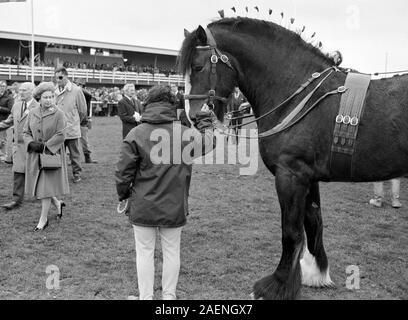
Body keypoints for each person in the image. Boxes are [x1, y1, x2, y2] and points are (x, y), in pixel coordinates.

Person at [115, 85, 216, 300]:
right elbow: (209, 142)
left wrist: (123, 195)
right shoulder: (185, 134)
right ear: (172, 105)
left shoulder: (136, 133)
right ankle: (168, 296)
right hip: (174, 203)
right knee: (171, 252)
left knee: (145, 252)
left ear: (148, 104)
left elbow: (123, 172)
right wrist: (204, 121)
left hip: (144, 204)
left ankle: (146, 297)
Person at [0, 82, 39, 210]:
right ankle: (17, 200)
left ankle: (44, 195)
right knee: (18, 173)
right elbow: (9, 121)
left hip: (32, 146)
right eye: (20, 90)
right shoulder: (16, 106)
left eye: (24, 90)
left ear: (32, 92)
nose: (20, 92)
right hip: (18, 146)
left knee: (37, 171)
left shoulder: (39, 107)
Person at [54, 67, 87, 183]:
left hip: (72, 128)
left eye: (60, 77)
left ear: (66, 76)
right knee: (58, 153)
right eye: (56, 77)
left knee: (74, 154)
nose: (58, 80)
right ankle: (59, 174)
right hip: (58, 130)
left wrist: (74, 120)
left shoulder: (77, 90)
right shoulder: (54, 91)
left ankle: (77, 174)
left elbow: (83, 110)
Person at [75, 80, 98, 164]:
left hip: (83, 118)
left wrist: (77, 87)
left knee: (84, 139)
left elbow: (89, 94)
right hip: (75, 118)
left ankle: (87, 157)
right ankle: (73, 158)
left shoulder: (85, 94)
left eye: (78, 85)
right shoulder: (75, 93)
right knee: (72, 140)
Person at [0, 80, 14, 163]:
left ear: (5, 88)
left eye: (3, 86)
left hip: (4, 122)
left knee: (3, 141)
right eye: (0, 86)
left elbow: (10, 110)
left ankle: (4, 156)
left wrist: (0, 108)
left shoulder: (9, 98)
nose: (1, 88)